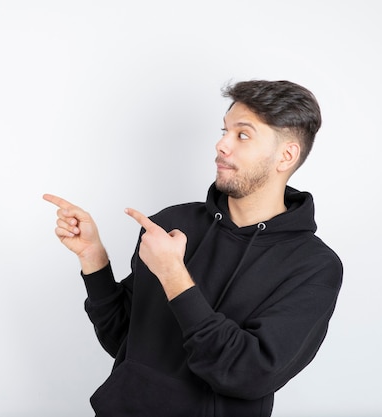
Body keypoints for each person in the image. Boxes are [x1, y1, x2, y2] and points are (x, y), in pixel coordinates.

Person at [43, 80, 343, 417]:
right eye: (224, 131)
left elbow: (249, 374)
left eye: (242, 135)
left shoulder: (313, 267)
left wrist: (174, 275)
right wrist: (93, 257)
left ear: (286, 155)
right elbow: (123, 339)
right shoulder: (171, 225)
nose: (221, 145)